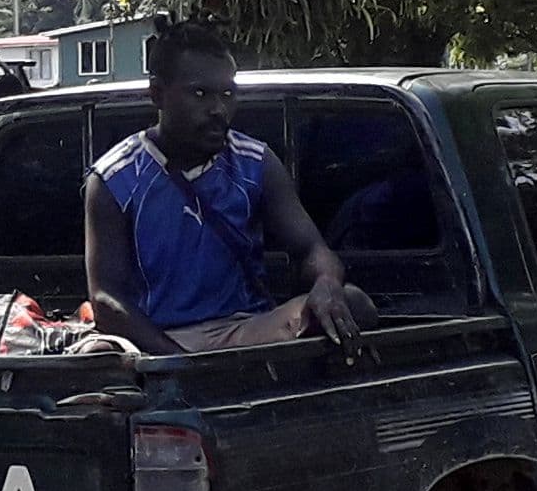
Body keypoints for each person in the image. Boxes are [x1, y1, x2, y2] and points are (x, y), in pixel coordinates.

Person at [83, 18, 369, 354]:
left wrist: (326, 284)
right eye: (200, 94)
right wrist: (180, 363)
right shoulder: (114, 178)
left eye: (228, 94)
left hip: (245, 331)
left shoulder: (255, 162)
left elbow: (311, 249)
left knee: (352, 303)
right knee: (99, 355)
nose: (219, 109)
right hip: (156, 342)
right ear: (157, 94)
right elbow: (106, 299)